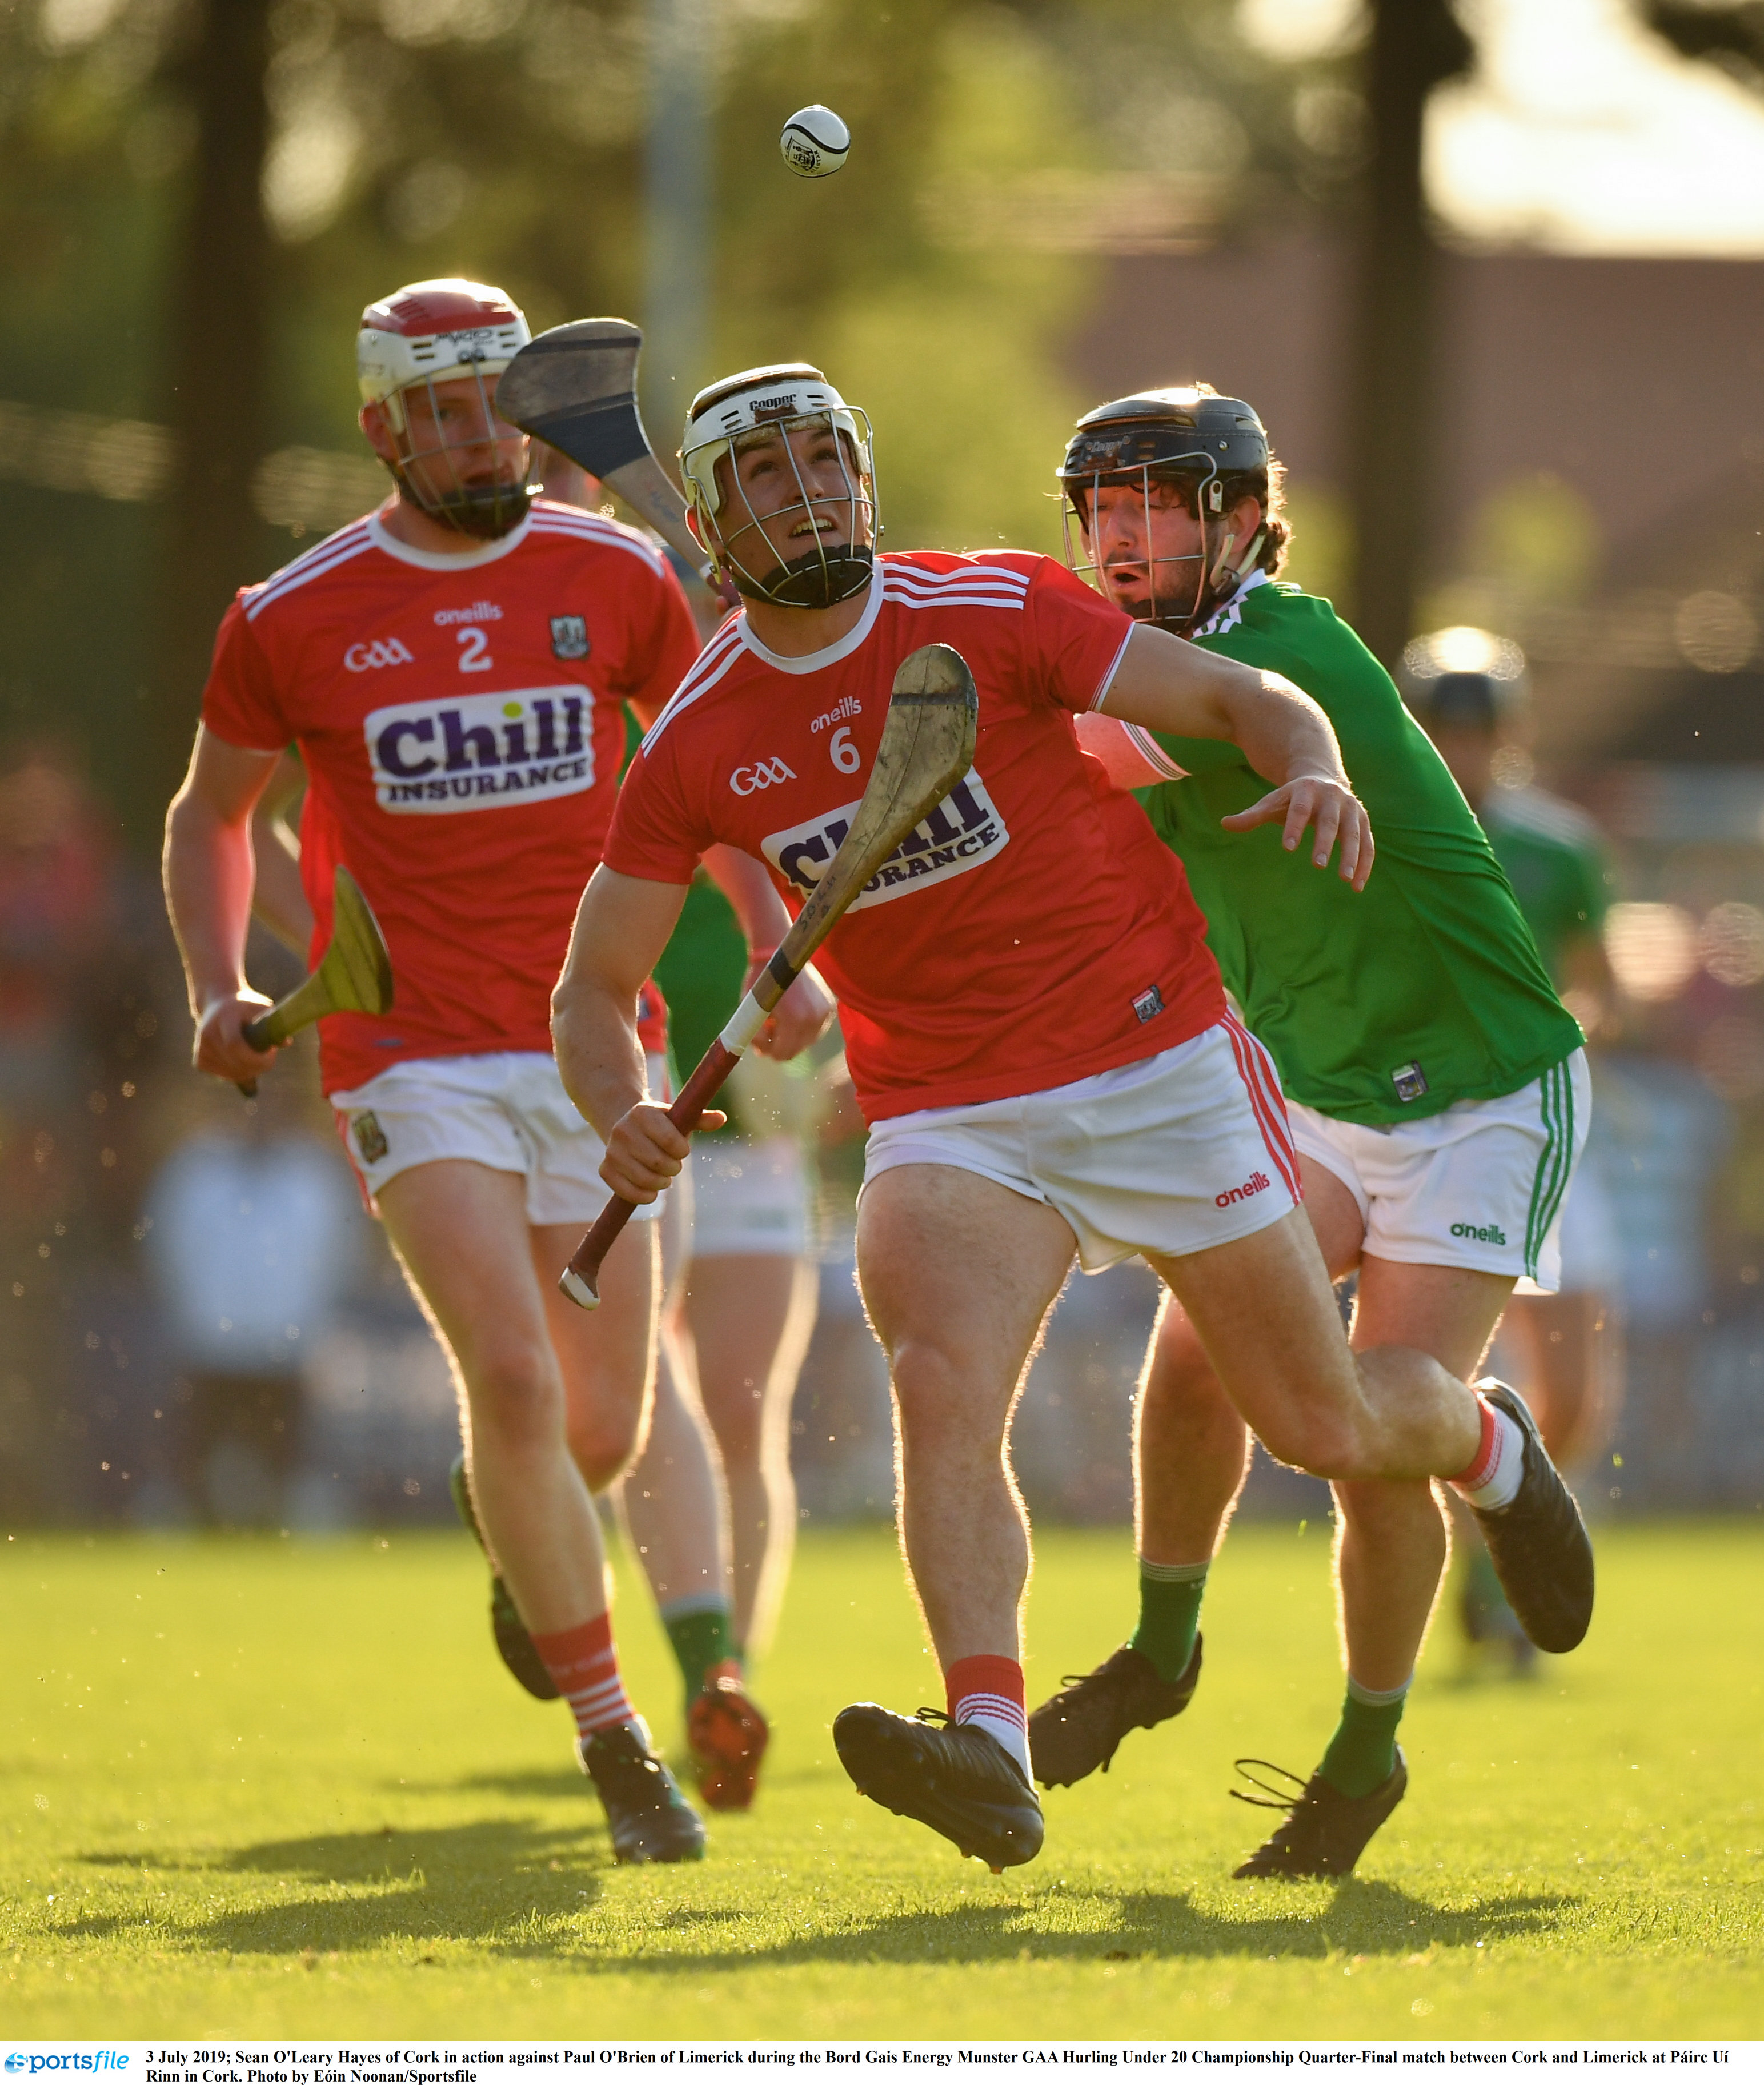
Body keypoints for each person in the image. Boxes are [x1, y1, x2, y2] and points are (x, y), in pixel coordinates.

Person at [548, 360, 1594, 1877]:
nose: (809, 490)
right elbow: (593, 988)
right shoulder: (700, 737)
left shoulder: (987, 608)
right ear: (711, 522)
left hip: (1156, 1058)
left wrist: (1309, 762)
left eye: (825, 458)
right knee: (938, 1375)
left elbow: (1240, 697)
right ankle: (990, 1736)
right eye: (766, 474)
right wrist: (619, 1105)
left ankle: (1485, 1440)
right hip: (948, 1106)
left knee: (1326, 1426)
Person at [162, 278, 819, 1863]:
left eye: (493, 404)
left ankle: (517, 1519)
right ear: (383, 429)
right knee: (513, 1379)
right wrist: (220, 981)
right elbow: (211, 816)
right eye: (440, 412)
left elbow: (709, 769)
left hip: (596, 1043)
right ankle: (618, 1746)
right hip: (410, 1056)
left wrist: (769, 934)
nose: (477, 437)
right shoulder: (292, 615)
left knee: (603, 1427)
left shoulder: (619, 574)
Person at [1036, 386, 1594, 1878]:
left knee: (1355, 1433)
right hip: (1321, 1089)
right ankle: (1160, 1650)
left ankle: (1382, 1705)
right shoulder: (1138, 661)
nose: (1124, 536)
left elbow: (1059, 751)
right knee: (1192, 1358)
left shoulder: (1275, 648)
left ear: (1240, 521)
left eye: (1160, 504)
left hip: (1478, 1085)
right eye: (1103, 508)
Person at [1402, 626, 1624, 1666]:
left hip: (1546, 1126)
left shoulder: (1557, 847)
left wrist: (1556, 1036)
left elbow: (1600, 986)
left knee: (1572, 1393)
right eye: (1444, 732)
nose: (1462, 753)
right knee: (1443, 1376)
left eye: (1478, 733)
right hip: (1435, 1137)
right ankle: (1487, 1580)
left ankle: (1502, 1553)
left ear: (1511, 735)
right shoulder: (1385, 833)